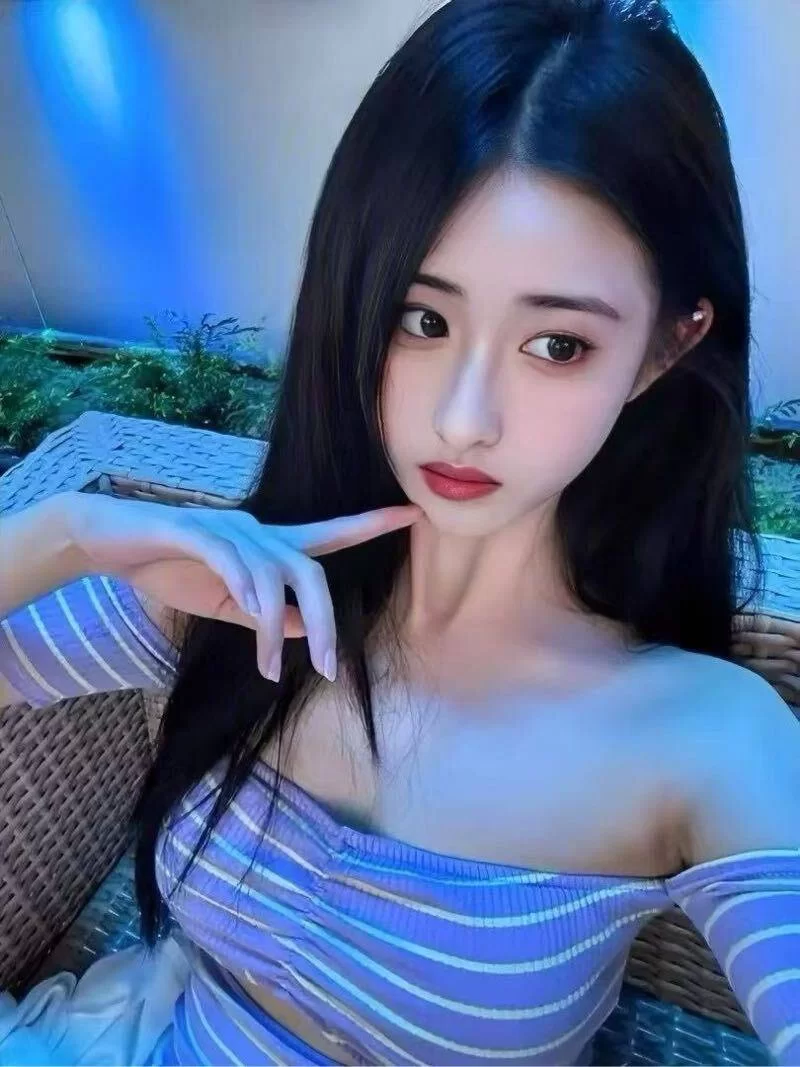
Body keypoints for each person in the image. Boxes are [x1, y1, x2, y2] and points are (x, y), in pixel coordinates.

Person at [1, 0, 799, 1063]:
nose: (464, 417)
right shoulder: (244, 596)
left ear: (663, 348)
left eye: (557, 344)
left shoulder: (707, 742)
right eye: (421, 320)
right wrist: (72, 529)